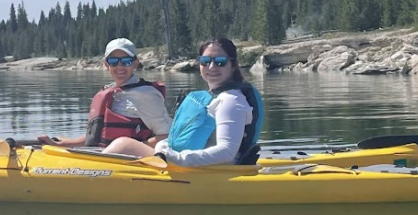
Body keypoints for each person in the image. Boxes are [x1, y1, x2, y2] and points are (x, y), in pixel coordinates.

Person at [102, 37, 262, 167]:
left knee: (123, 146)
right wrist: (164, 147)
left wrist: (176, 158)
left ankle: (89, 177)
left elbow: (227, 152)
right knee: (125, 146)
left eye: (220, 61)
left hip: (212, 171)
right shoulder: (216, 97)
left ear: (233, 65)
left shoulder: (230, 100)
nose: (212, 67)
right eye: (205, 61)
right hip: (197, 164)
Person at [37, 38, 172, 151]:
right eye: (113, 61)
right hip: (109, 157)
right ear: (106, 65)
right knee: (63, 138)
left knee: (122, 144)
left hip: (133, 161)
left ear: (135, 63)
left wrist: (129, 148)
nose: (119, 66)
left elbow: (167, 136)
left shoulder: (146, 95)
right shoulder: (111, 91)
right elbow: (98, 136)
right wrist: (62, 145)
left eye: (126, 61)